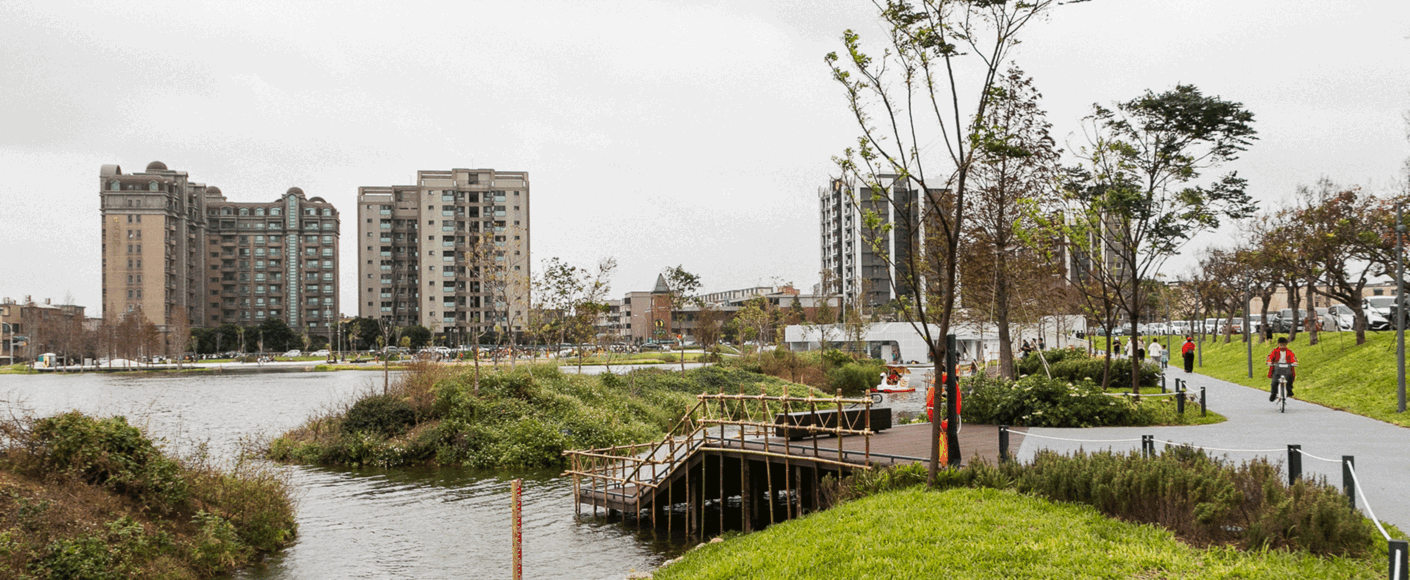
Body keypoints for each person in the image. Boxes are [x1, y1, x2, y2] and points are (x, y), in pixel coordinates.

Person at [1267, 337, 1298, 402]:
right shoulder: (1275, 351)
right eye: (1281, 345)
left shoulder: (1289, 352)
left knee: (1290, 376)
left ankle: (1289, 389)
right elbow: (1270, 357)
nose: (1282, 346)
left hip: (1287, 368)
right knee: (1274, 382)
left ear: (1286, 344)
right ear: (1278, 344)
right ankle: (1273, 393)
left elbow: (1293, 358)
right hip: (1277, 368)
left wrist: (1294, 362)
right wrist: (1269, 362)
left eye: (1284, 345)